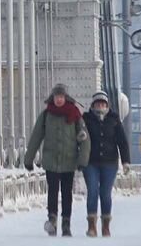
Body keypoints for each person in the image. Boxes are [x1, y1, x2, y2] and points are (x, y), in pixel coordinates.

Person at [25, 83, 90, 237]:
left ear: (65, 97)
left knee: (67, 193)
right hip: (51, 161)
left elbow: (85, 138)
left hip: (69, 161)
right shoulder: (47, 115)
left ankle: (66, 222)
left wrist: (83, 160)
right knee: (52, 192)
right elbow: (36, 137)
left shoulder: (74, 114)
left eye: (61, 97)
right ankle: (52, 220)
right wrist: (29, 158)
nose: (59, 100)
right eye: (56, 97)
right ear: (52, 98)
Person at [81, 91, 131, 237]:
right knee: (92, 192)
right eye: (98, 103)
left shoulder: (114, 120)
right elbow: (78, 137)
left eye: (103, 103)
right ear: (93, 105)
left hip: (110, 163)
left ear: (107, 105)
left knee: (105, 193)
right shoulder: (86, 119)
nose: (100, 106)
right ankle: (91, 225)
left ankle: (106, 226)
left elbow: (122, 142)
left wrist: (126, 161)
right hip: (90, 162)